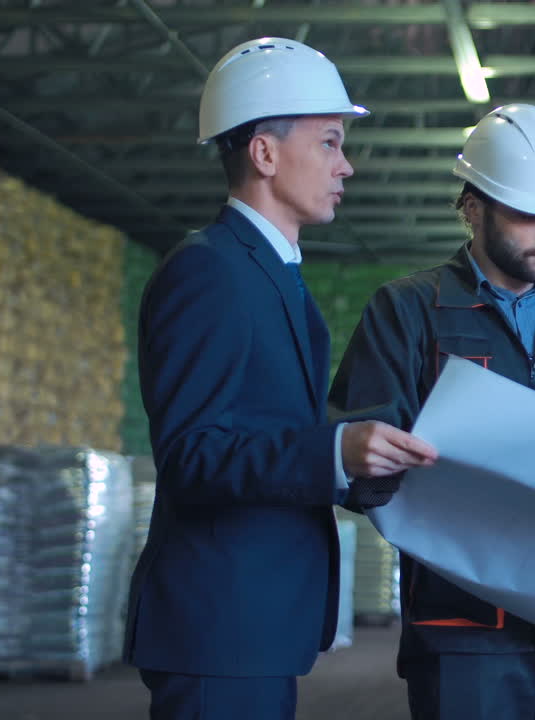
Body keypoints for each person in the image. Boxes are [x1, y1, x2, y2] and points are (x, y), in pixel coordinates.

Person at [125, 37, 436, 720]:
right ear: (264, 154)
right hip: (219, 626)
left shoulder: (274, 279)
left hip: (252, 624)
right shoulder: (208, 271)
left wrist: (365, 463)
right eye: (329, 142)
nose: (345, 165)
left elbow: (266, 437)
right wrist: (334, 450)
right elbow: (191, 456)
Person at [328, 103, 535, 720]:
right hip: (465, 631)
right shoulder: (407, 312)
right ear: (473, 205)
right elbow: (358, 465)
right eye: (531, 215)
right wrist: (371, 460)